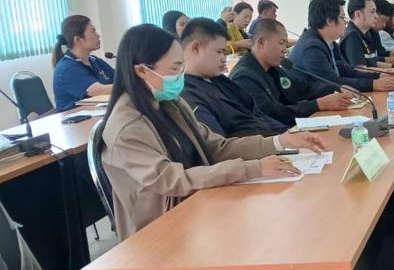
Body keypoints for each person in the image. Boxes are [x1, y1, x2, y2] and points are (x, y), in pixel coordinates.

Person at [97, 24, 326, 239]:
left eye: (182, 67)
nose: (180, 76)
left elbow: (215, 146)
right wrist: (253, 168)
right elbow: (171, 180)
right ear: (142, 71)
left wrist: (279, 142)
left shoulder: (170, 104)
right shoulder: (126, 127)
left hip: (199, 204)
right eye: (175, 69)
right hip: (161, 230)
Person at [230, 17, 356, 126]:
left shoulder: (273, 69)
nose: (285, 50)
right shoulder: (244, 77)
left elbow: (304, 88)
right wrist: (318, 105)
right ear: (261, 42)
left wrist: (338, 88)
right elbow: (273, 114)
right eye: (281, 43)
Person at [180, 18, 288, 137]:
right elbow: (220, 144)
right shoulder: (189, 96)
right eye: (219, 52)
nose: (224, 58)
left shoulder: (218, 80)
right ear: (196, 48)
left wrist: (286, 132)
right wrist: (278, 141)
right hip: (258, 146)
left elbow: (256, 113)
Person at [290, 0, 393, 93]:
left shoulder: (330, 43)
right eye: (343, 18)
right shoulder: (311, 48)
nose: (346, 22)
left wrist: (379, 76)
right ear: (329, 21)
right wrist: (373, 84)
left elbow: (346, 70)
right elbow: (332, 83)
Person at [52, 15, 115, 111]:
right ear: (78, 40)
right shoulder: (67, 68)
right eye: (93, 31)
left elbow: (120, 78)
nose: (98, 35)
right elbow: (98, 90)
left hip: (99, 113)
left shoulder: (95, 61)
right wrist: (132, 85)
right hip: (76, 118)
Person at [340, 0, 394, 72]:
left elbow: (373, 62)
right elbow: (361, 70)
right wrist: (390, 70)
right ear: (358, 14)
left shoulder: (366, 33)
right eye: (372, 12)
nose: (376, 16)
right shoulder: (352, 36)